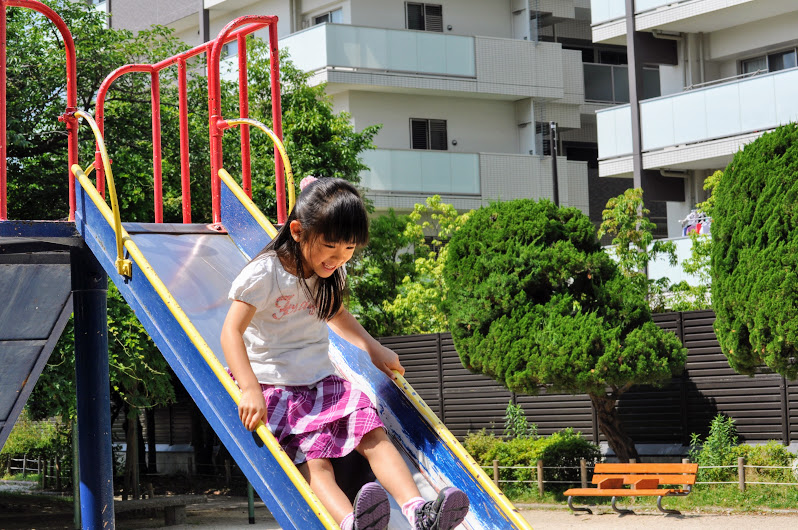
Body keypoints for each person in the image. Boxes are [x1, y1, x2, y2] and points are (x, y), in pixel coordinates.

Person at [221, 176, 470, 530]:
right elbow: (231, 332)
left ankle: (418, 511)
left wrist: (372, 346)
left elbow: (336, 314)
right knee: (316, 460)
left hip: (322, 381)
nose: (338, 259)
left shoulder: (327, 274)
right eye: (331, 247)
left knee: (373, 433)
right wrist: (248, 388)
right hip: (275, 387)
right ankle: (350, 523)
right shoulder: (265, 274)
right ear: (297, 231)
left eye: (348, 250)